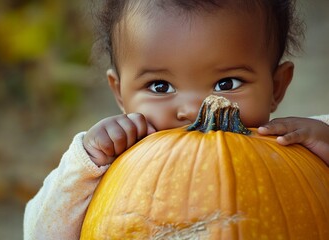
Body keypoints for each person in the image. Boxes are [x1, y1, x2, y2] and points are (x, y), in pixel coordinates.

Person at [24, 0, 329, 239]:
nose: (195, 107)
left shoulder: (301, 144)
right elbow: (39, 232)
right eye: (160, 87)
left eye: (227, 83)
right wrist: (85, 165)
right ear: (119, 92)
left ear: (277, 85)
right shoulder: (110, 161)